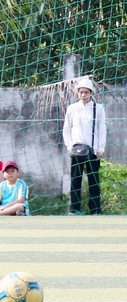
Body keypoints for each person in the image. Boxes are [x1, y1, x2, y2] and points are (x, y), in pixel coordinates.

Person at [62, 78, 106, 215]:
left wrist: (100, 148)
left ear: (90, 92)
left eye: (86, 92)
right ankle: (75, 209)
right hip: (76, 150)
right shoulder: (72, 108)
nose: (83, 95)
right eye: (81, 92)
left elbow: (102, 129)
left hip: (92, 150)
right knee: (75, 180)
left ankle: (95, 210)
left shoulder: (98, 108)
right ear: (78, 93)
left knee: (94, 180)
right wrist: (70, 145)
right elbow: (67, 128)